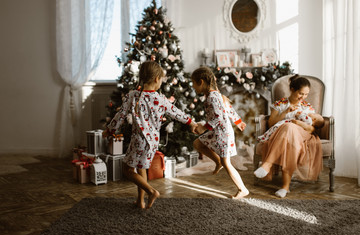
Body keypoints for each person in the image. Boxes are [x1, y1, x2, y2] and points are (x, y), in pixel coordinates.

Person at [103, 61, 197, 209]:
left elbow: (120, 115)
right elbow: (176, 112)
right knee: (141, 169)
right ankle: (140, 201)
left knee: (127, 169)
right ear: (156, 79)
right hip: (152, 142)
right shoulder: (160, 99)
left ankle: (151, 191)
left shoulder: (133, 96)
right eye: (161, 79)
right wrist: (191, 122)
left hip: (139, 140)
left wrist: (110, 130)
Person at [254, 74, 323, 198]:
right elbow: (271, 123)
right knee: (289, 139)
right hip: (284, 135)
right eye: (301, 93)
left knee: (289, 127)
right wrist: (286, 112)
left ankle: (267, 164)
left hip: (303, 135)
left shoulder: (307, 107)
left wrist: (298, 123)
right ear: (292, 90)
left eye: (306, 94)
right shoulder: (280, 104)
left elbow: (312, 128)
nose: (303, 97)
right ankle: (285, 187)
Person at [191, 66, 249, 199]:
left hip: (222, 132)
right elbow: (227, 109)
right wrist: (238, 121)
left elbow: (219, 117)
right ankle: (217, 162)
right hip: (217, 130)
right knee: (198, 143)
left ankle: (242, 189)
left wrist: (204, 127)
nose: (194, 87)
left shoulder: (212, 97)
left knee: (227, 163)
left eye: (194, 84)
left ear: (201, 82)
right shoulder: (215, 95)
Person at [258, 111, 325, 142]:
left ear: (314, 119)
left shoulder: (309, 120)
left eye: (313, 114)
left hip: (289, 125)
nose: (311, 113)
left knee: (275, 129)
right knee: (275, 128)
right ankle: (265, 137)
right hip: (289, 124)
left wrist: (299, 114)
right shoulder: (309, 121)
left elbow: (302, 117)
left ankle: (265, 138)